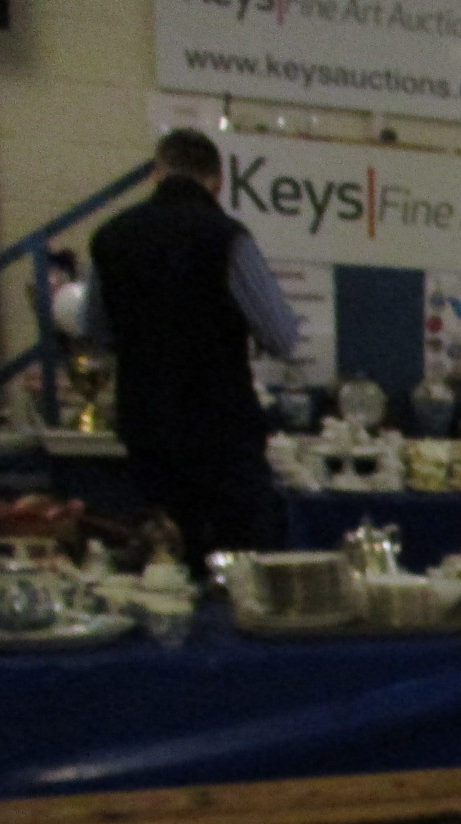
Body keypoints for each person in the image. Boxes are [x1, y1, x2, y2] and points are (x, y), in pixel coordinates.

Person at [84, 129, 299, 563]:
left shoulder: (109, 238)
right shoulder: (227, 237)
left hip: (146, 427)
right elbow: (281, 336)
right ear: (217, 182)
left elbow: (96, 332)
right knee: (238, 566)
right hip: (221, 431)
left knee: (165, 561)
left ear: (157, 173)